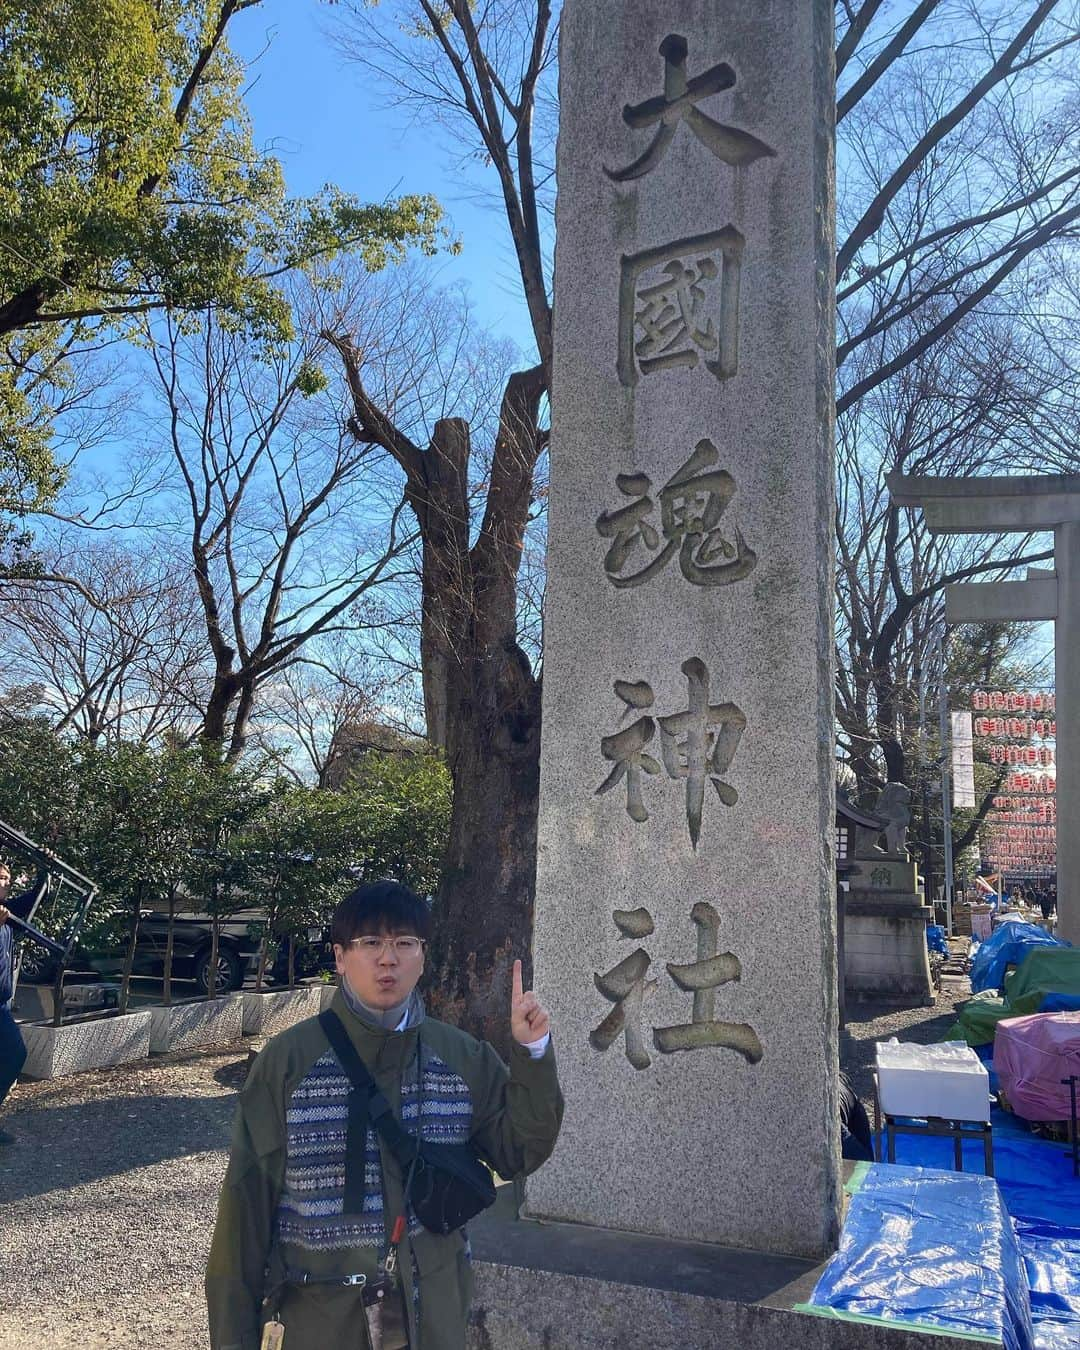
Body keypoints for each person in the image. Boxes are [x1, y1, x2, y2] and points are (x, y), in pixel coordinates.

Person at [206, 880, 563, 1350]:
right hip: (318, 1325)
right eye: (370, 943)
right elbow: (243, 1221)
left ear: (423, 957)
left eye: (403, 943)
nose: (387, 958)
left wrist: (532, 1052)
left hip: (431, 1321)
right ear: (339, 958)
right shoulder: (287, 1063)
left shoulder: (460, 1058)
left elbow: (519, 1153)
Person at [0, 862, 34, 1144]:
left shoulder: (8, 913)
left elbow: (36, 898)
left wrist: (46, 869)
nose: (6, 883)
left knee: (14, 1056)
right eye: (1, 878)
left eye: (9, 879)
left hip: (0, 1006)